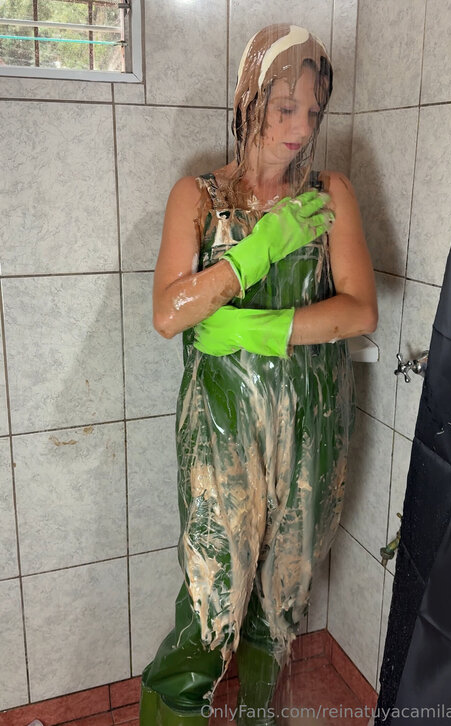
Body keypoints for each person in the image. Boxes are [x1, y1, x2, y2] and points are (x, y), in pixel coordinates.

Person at [140, 23, 378, 726]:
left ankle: (257, 718)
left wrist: (262, 329)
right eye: (285, 108)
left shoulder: (330, 194)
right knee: (212, 597)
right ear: (249, 99)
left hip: (311, 426)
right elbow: (168, 314)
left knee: (281, 596)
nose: (301, 128)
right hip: (221, 431)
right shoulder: (198, 197)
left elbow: (360, 309)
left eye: (313, 111)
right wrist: (255, 254)